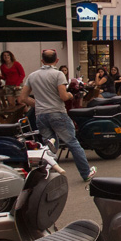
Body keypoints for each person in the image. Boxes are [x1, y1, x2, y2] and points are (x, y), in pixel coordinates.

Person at [19, 49, 96, 182]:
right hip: (57, 113)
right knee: (72, 142)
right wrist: (71, 95)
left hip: (41, 115)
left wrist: (37, 104)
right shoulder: (58, 74)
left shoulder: (32, 76)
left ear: (41, 60)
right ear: (57, 60)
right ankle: (86, 172)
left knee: (49, 146)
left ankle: (47, 176)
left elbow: (22, 98)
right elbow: (63, 96)